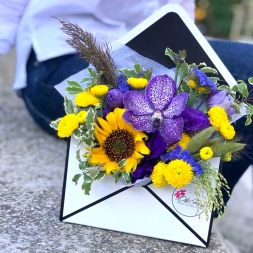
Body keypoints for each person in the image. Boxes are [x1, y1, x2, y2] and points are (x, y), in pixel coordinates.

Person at [0, 0, 252, 211]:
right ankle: (168, 211)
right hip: (60, 52)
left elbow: (179, 11)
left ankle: (194, 212)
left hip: (149, 45)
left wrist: (187, 58)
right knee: (144, 116)